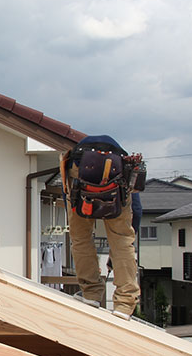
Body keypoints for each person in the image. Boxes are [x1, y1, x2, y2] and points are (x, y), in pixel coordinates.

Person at [61, 134, 143, 318]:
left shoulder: (73, 161)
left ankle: (91, 294)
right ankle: (124, 304)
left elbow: (66, 193)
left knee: (80, 238)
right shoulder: (124, 163)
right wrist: (120, 251)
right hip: (117, 175)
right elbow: (136, 210)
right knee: (122, 241)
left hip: (78, 172)